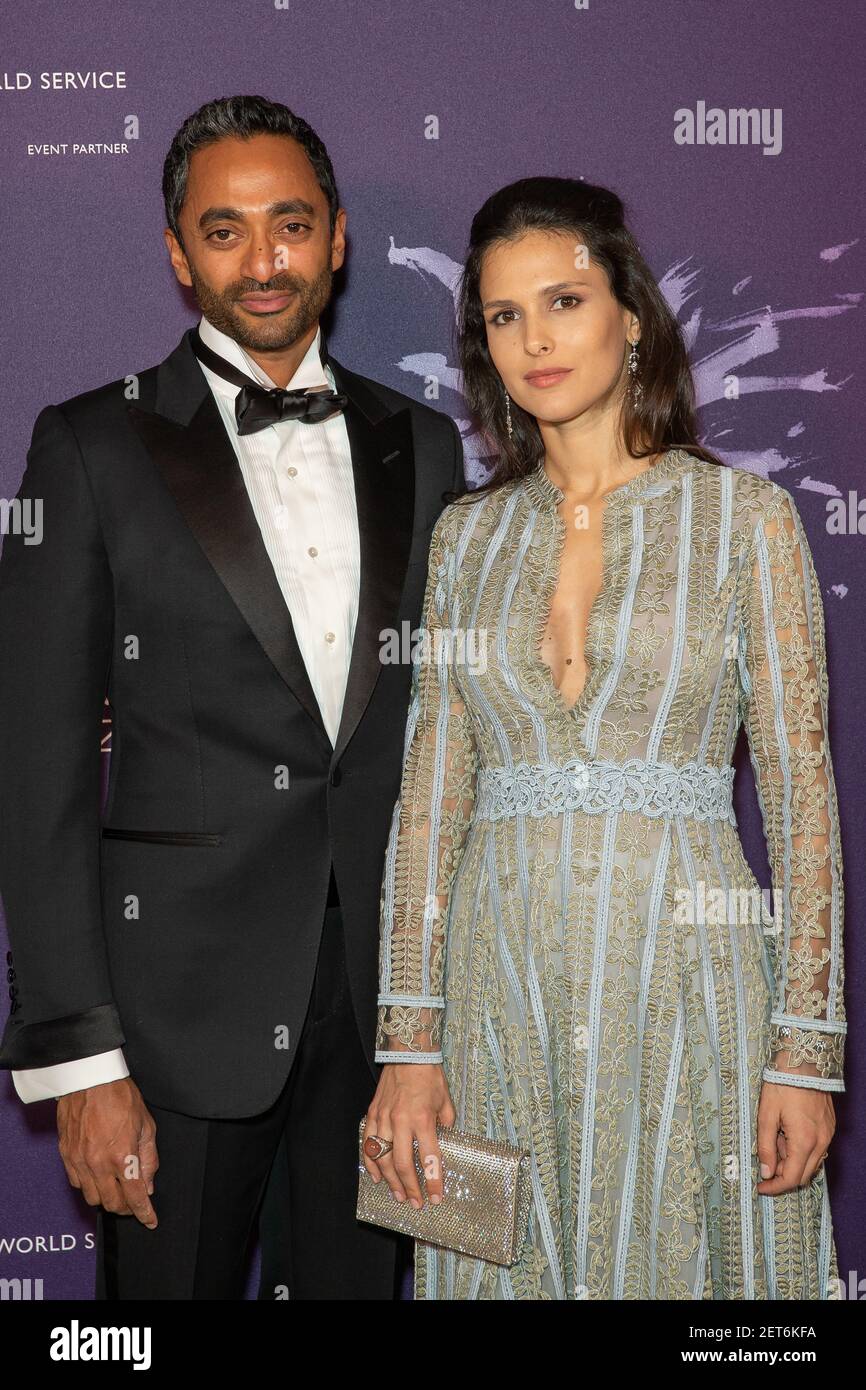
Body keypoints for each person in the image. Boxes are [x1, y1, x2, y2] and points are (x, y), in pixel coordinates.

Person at [0, 94, 465, 1300]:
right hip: (167, 1031)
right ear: (176, 254)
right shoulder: (90, 445)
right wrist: (80, 1057)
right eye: (224, 231)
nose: (263, 262)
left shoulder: (422, 442)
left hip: (382, 1027)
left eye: (290, 225)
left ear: (339, 237)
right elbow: (38, 773)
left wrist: (440, 1020)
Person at [362, 177, 846, 1300]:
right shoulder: (466, 539)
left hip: (689, 977)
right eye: (502, 316)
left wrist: (805, 1049)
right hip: (495, 993)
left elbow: (801, 801)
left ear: (630, 315)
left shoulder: (745, 522)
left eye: (563, 300)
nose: (534, 339)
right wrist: (407, 1045)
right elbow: (429, 804)